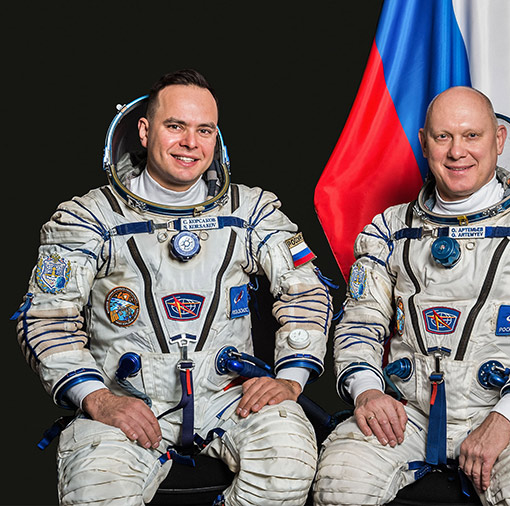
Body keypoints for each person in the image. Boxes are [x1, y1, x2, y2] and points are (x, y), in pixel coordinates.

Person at [12, 69, 332, 505]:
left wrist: (291, 377)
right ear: (144, 131)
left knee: (289, 459)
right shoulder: (87, 219)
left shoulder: (252, 211)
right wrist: (98, 399)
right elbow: (46, 319)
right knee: (97, 489)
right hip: (128, 401)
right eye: (175, 126)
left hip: (228, 398)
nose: (190, 143)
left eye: (205, 130)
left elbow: (307, 292)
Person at [312, 86, 510, 505]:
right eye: (443, 136)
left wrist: (507, 416)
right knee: (339, 484)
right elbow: (360, 323)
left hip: (508, 413)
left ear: (499, 141)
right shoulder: (388, 230)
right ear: (423, 142)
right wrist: (367, 391)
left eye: (472, 136)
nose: (456, 152)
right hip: (408, 412)